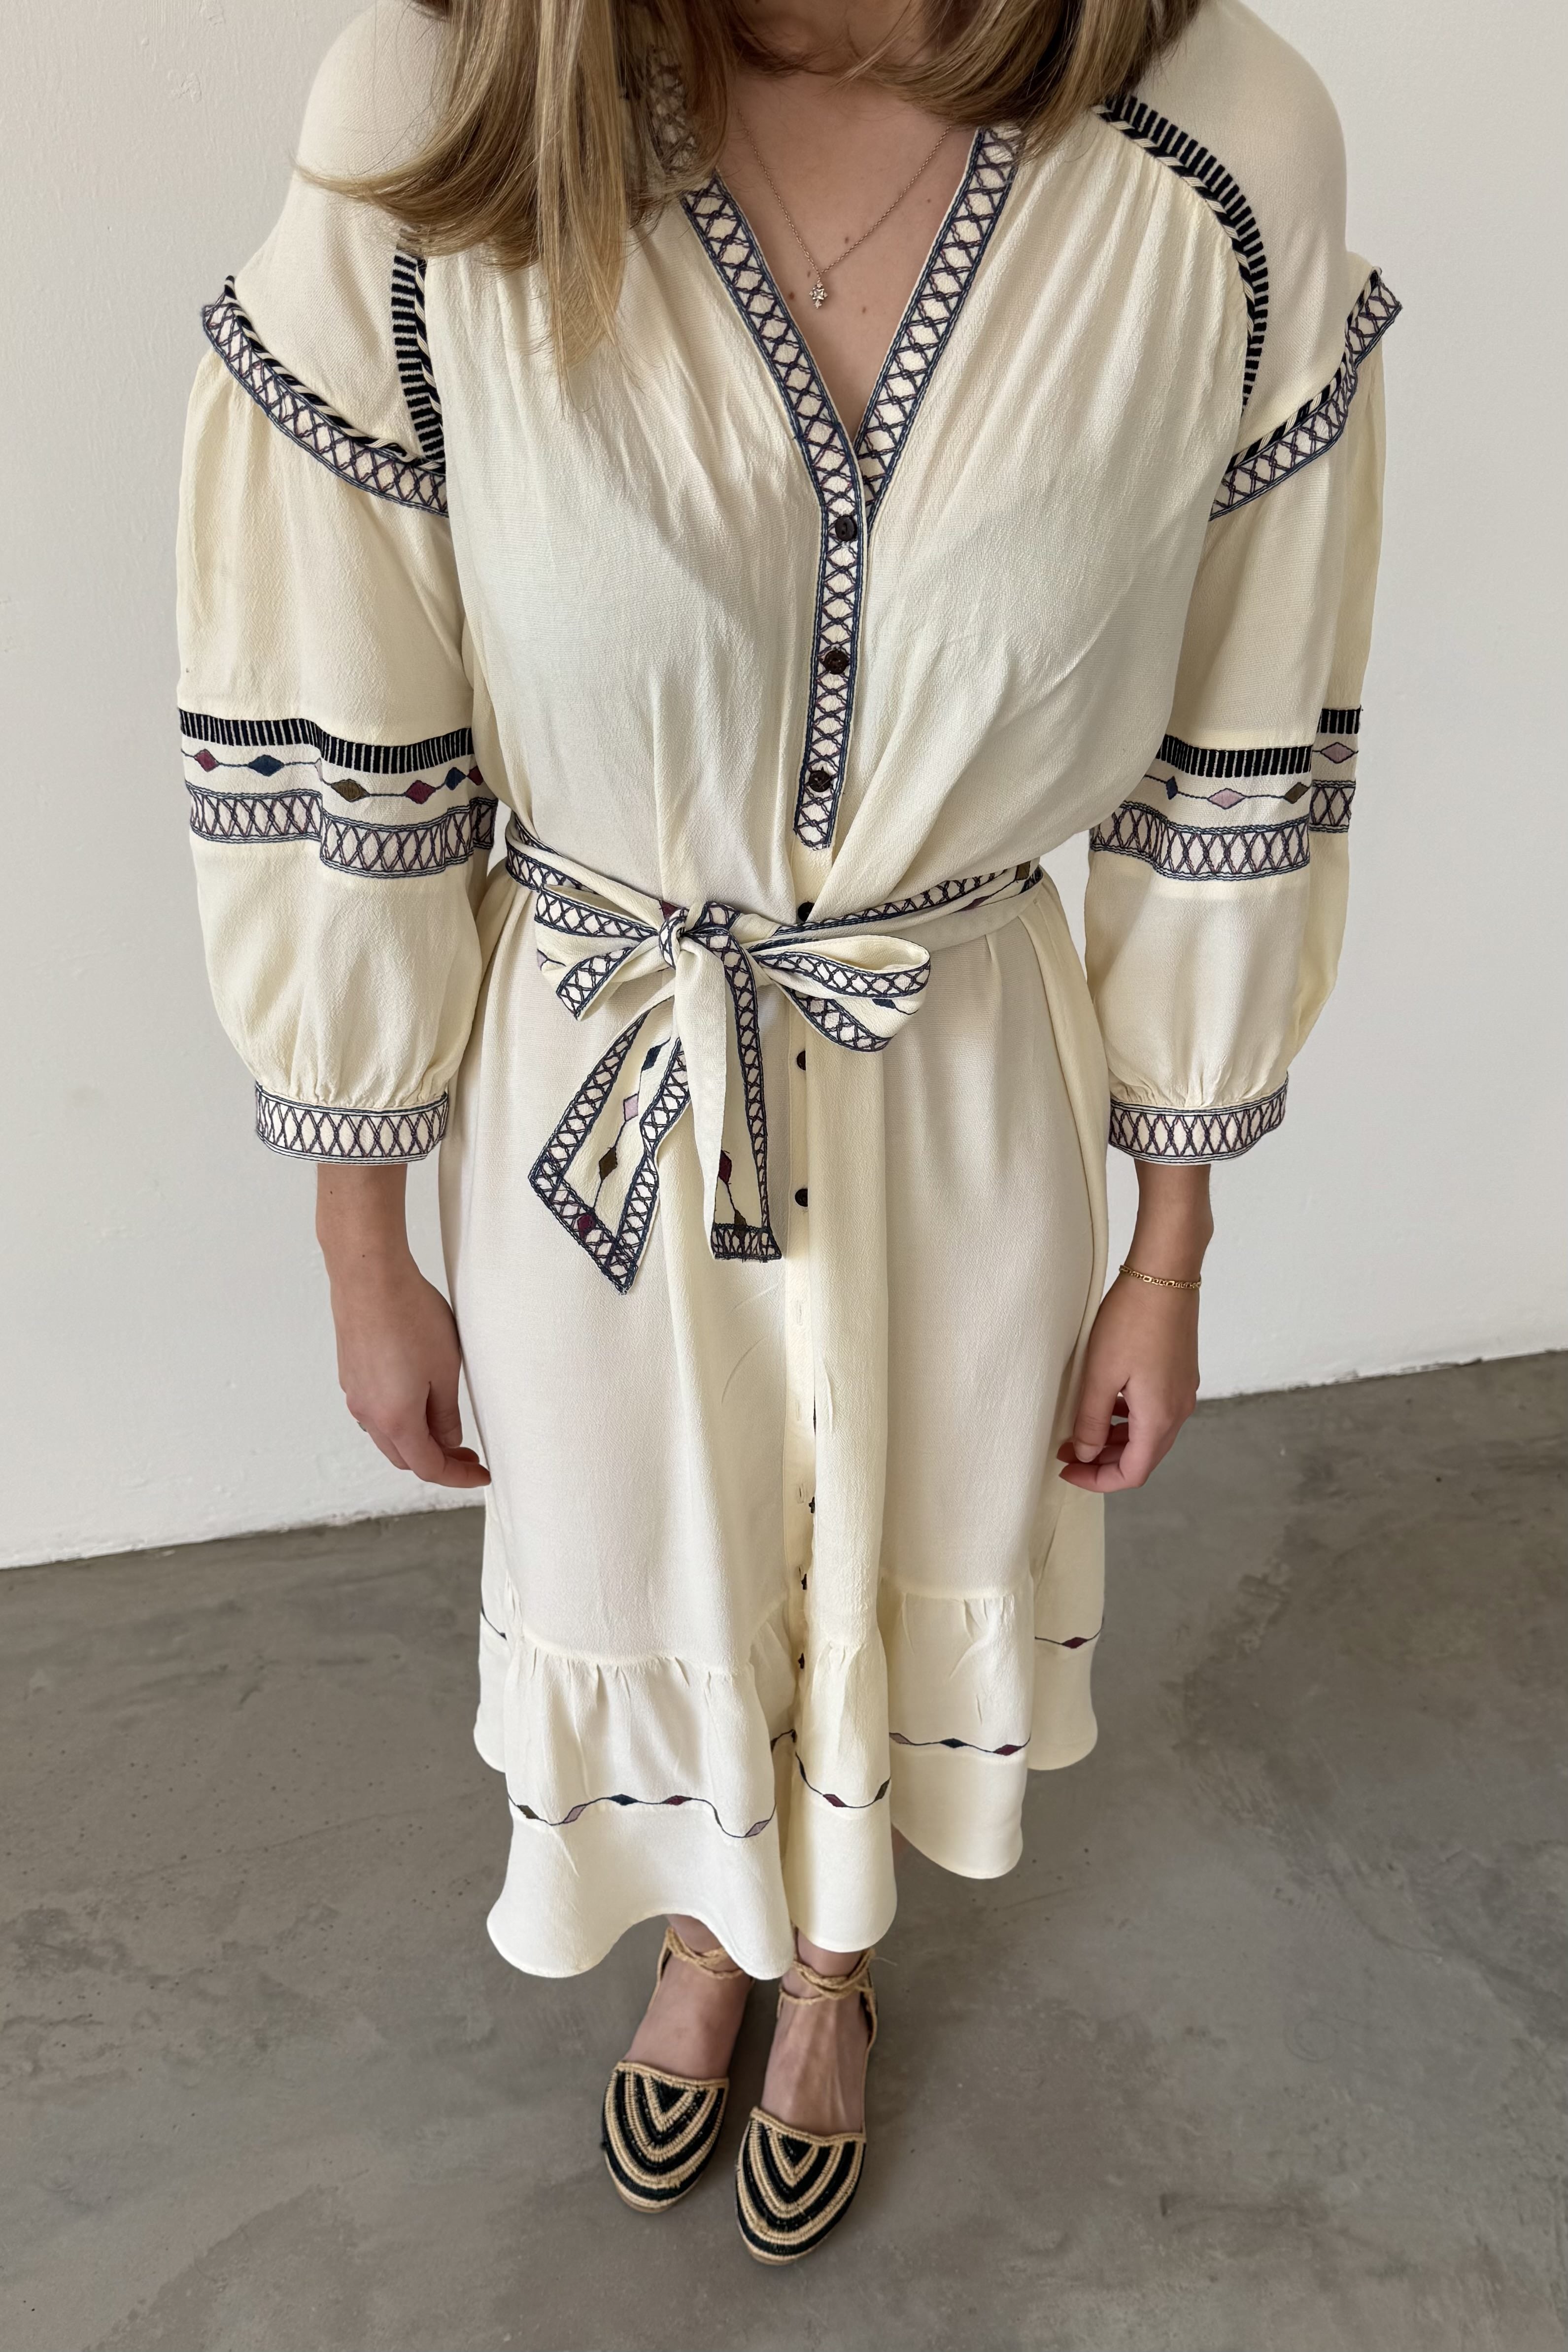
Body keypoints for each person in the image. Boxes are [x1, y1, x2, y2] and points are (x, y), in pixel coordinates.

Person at [177, 0, 1393, 2262]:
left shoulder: (1223, 144)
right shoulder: (444, 110)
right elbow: (347, 718)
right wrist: (361, 1239)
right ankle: (705, 1927)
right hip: (595, 1080)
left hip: (963, 1068)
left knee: (913, 1524)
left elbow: (1247, 744)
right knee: (641, 1545)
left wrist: (1168, 1242)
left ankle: (827, 1962)